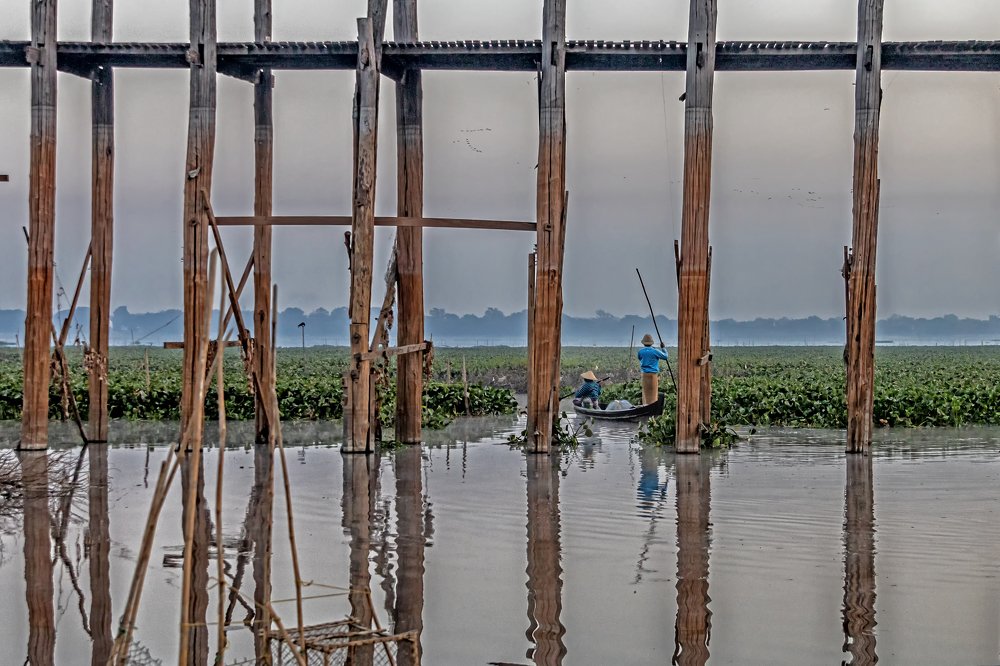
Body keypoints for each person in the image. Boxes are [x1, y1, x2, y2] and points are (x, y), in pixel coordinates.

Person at [637, 333, 669, 405]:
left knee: (645, 393)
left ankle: (645, 406)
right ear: (651, 343)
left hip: (644, 375)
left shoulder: (640, 351)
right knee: (653, 393)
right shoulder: (655, 351)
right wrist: (663, 348)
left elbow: (639, 358)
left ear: (643, 343)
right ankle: (653, 407)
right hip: (653, 375)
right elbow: (665, 356)